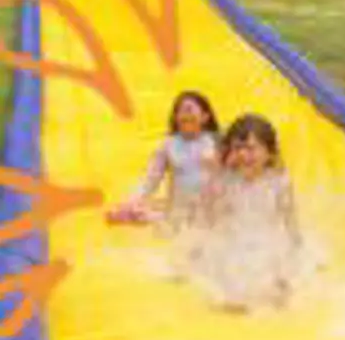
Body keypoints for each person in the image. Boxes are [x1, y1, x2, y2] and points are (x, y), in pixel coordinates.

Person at [197, 114, 302, 313]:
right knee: (221, 275)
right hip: (233, 244)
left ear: (269, 153)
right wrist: (214, 176)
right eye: (238, 148)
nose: (244, 155)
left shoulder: (279, 182)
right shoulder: (226, 180)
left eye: (251, 148)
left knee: (278, 281)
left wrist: (293, 258)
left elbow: (291, 225)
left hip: (267, 246)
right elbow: (208, 220)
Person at [106, 91, 221, 231]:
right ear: (176, 118)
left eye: (189, 110)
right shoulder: (169, 145)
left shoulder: (217, 142)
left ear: (205, 117)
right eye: (179, 111)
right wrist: (131, 203)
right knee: (138, 214)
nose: (184, 115)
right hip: (180, 213)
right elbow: (149, 180)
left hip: (210, 212)